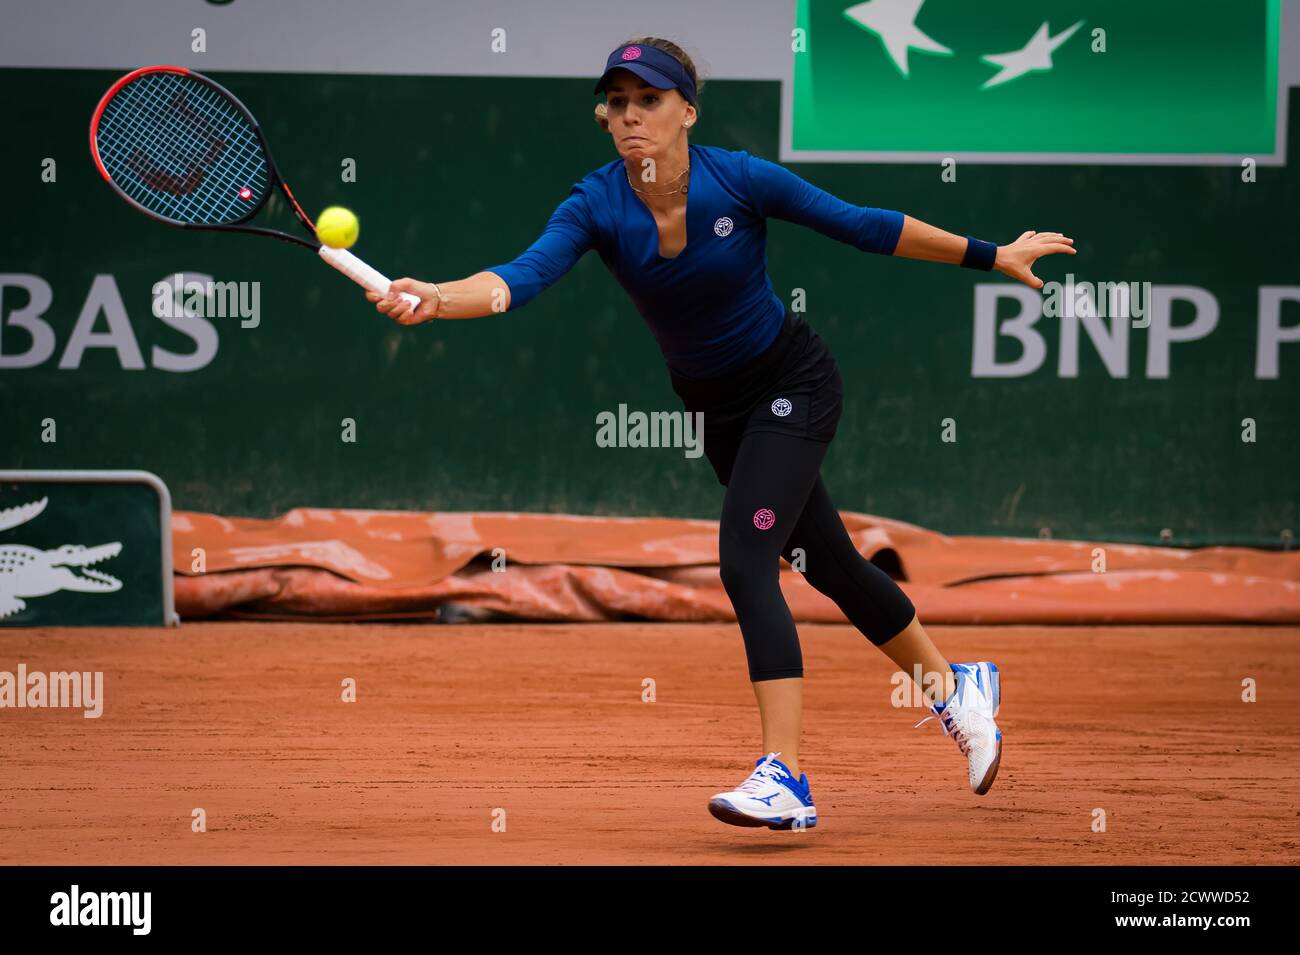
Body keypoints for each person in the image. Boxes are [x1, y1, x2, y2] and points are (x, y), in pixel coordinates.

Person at [368, 37, 1075, 830]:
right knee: (834, 566)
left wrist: (993, 255)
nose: (631, 117)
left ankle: (787, 778)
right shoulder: (594, 204)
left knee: (746, 559)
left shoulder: (739, 178)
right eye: (619, 104)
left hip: (793, 386)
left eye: (651, 102)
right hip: (719, 413)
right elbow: (517, 279)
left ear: (687, 112)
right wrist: (436, 296)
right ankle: (958, 689)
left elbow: (864, 225)